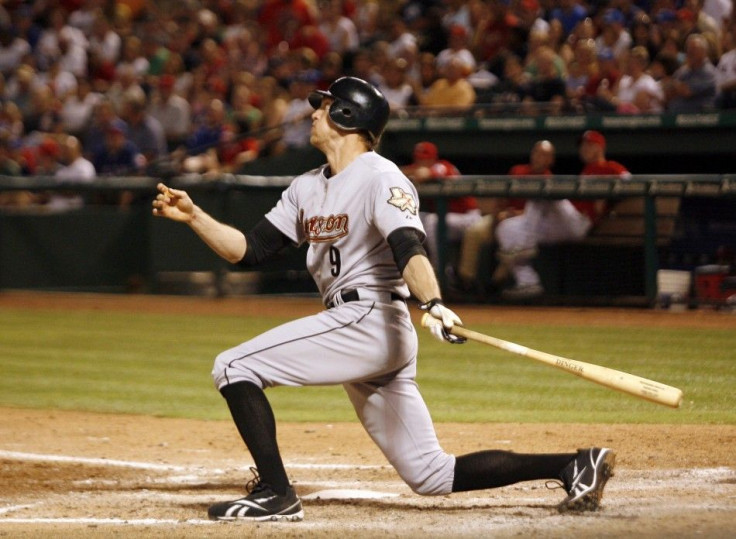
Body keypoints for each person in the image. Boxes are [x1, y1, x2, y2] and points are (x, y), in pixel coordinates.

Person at [152, 76, 615, 522]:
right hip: (356, 326)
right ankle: (573, 464)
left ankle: (276, 493)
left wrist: (432, 302)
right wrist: (195, 217)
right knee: (430, 474)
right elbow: (248, 251)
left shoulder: (380, 177)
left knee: (234, 366)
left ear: (348, 116)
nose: (313, 112)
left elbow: (408, 245)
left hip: (371, 318)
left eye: (324, 106)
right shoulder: (306, 187)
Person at [494, 131, 629, 299]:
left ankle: (524, 247)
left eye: (589, 145)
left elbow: (631, 183)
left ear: (600, 147)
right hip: (562, 224)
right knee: (506, 228)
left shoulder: (611, 167)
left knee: (545, 190)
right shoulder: (586, 170)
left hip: (580, 222)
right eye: (582, 146)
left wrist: (608, 196)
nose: (584, 149)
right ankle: (528, 282)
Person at [455, 139, 555, 291]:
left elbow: (540, 212)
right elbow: (501, 198)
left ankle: (496, 284)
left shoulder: (550, 181)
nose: (538, 157)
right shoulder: (518, 171)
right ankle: (466, 280)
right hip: (502, 216)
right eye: (536, 153)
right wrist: (498, 214)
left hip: (524, 224)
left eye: (544, 155)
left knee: (512, 239)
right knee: (474, 231)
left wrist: (512, 214)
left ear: (551, 160)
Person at [400, 141, 482, 273]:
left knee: (433, 221)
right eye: (418, 158)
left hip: (468, 218)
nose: (421, 162)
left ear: (433, 158)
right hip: (449, 219)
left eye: (425, 159)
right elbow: (400, 171)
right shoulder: (415, 167)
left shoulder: (443, 166)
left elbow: (423, 174)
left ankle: (441, 271)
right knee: (408, 217)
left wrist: (411, 173)